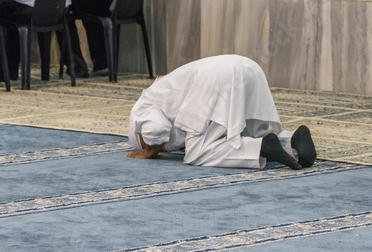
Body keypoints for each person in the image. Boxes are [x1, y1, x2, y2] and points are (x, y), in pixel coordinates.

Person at [127, 55, 317, 170]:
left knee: (197, 152)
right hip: (247, 66)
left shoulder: (141, 108)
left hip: (217, 77)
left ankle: (260, 148)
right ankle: (291, 140)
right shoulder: (162, 92)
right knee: (244, 133)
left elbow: (157, 129)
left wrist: (148, 152)